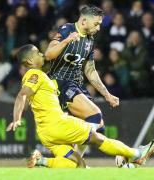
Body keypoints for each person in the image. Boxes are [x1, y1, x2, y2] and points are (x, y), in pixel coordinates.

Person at [6, 44, 154, 168]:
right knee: (97, 138)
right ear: (29, 62)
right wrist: (17, 118)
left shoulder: (38, 78)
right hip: (58, 124)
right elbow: (21, 95)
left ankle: (42, 161)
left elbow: (25, 100)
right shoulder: (35, 74)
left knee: (78, 164)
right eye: (37, 53)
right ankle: (136, 155)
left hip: (45, 134)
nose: (41, 54)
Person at [45, 5, 119, 156]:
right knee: (95, 116)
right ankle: (75, 160)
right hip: (59, 83)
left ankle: (71, 162)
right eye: (96, 24)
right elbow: (48, 54)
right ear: (84, 21)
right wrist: (66, 41)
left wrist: (107, 94)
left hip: (76, 85)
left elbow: (90, 71)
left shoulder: (90, 40)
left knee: (98, 125)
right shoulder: (66, 29)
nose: (98, 28)